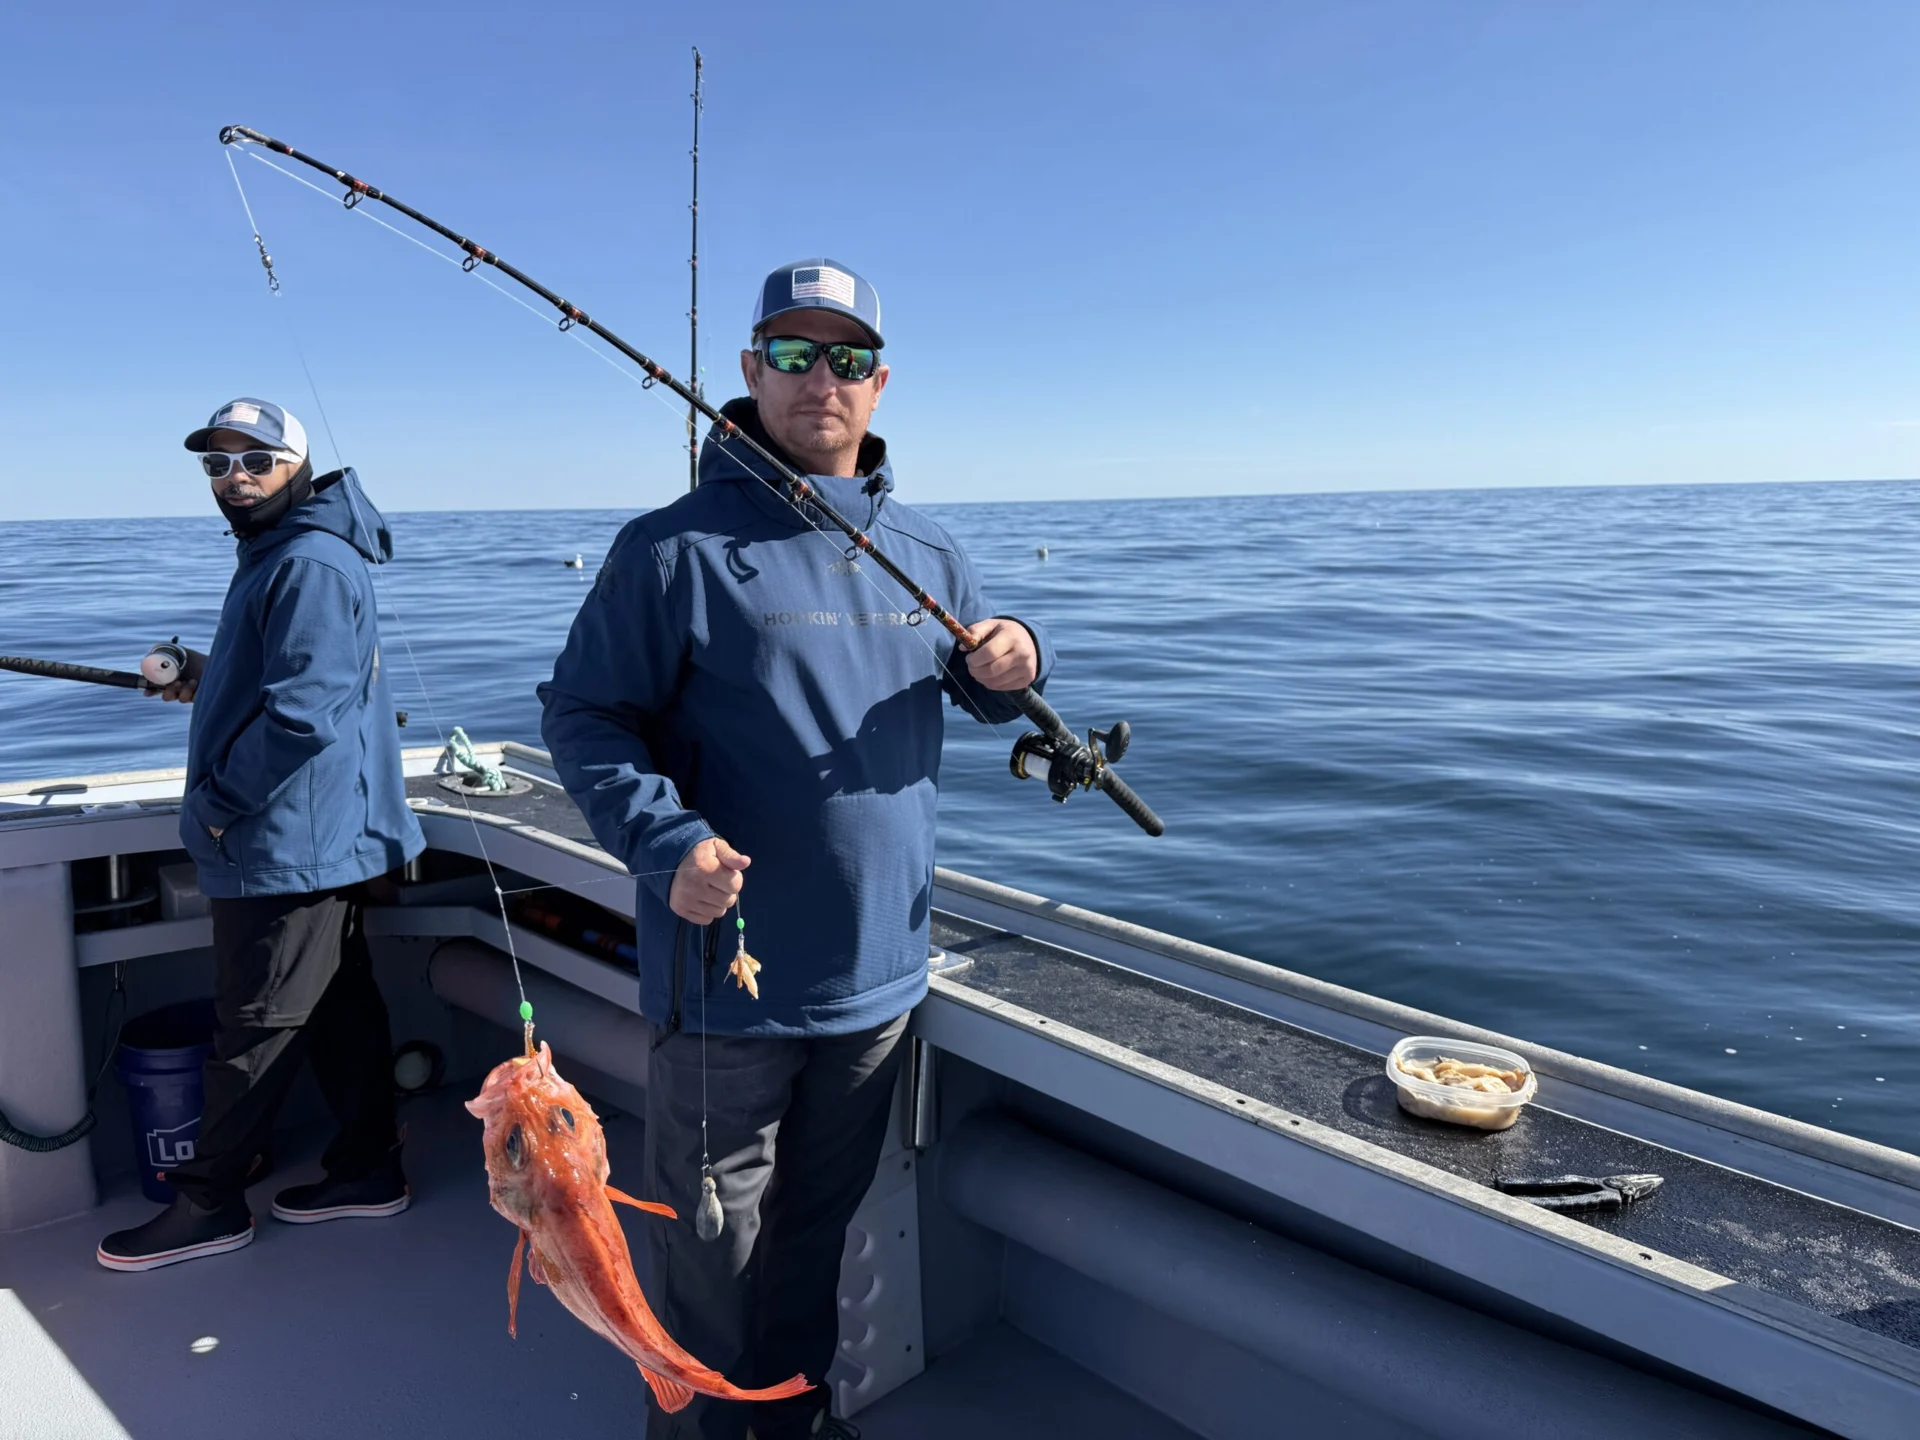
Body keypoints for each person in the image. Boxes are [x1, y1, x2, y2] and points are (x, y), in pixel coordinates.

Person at [540, 260, 1048, 1439]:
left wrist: (1022, 651)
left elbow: (989, 688)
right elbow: (583, 717)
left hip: (877, 977)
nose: (823, 378)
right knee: (711, 1253)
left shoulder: (928, 552)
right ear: (750, 371)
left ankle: (790, 1419)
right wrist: (666, 839)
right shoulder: (671, 550)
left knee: (818, 1231)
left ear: (881, 383)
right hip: (726, 987)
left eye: (848, 357)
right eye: (793, 353)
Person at [96, 398, 425, 1272]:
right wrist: (211, 678)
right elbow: (289, 681)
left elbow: (302, 715)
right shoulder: (284, 551)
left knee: (255, 1024)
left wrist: (214, 805)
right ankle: (368, 1168)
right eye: (217, 463)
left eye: (255, 460)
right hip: (317, 831)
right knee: (339, 1006)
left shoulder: (306, 562)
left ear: (297, 467)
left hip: (286, 839)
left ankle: (208, 1205)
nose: (233, 478)